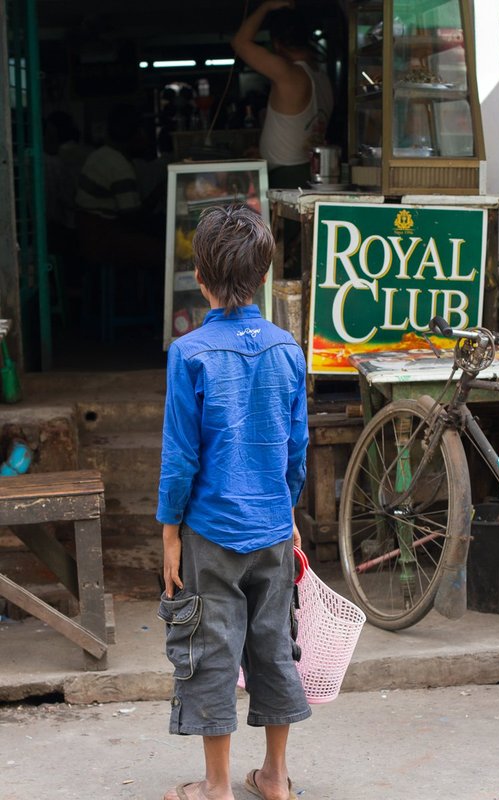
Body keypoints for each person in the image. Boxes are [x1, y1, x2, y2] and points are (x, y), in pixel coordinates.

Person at [157, 204, 310, 800]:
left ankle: (216, 786)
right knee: (274, 646)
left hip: (210, 532)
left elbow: (180, 458)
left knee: (209, 649)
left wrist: (170, 535)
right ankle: (274, 776)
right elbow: (295, 448)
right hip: (271, 526)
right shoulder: (287, 350)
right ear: (266, 277)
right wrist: (288, 513)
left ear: (200, 278)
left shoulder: (189, 353)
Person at [231, 0, 333, 189]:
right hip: (307, 168)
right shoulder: (321, 77)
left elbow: (239, 42)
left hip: (288, 176)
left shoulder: (289, 73)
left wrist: (265, 6)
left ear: (276, 44)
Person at [75, 103, 165, 271]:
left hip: (90, 237)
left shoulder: (99, 154)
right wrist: (159, 192)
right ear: (134, 134)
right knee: (164, 253)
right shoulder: (119, 166)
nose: (145, 137)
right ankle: (147, 296)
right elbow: (133, 218)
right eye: (142, 131)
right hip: (104, 240)